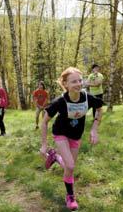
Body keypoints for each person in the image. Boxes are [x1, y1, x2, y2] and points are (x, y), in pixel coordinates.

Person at [40, 67, 103, 210]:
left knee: (69, 168)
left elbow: (99, 109)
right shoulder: (60, 101)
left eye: (80, 80)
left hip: (76, 135)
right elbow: (44, 122)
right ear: (65, 84)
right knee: (70, 166)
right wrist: (44, 144)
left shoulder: (88, 98)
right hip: (61, 133)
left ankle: (55, 157)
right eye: (74, 81)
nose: (78, 84)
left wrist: (94, 129)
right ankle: (70, 196)